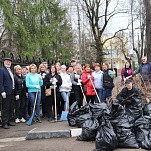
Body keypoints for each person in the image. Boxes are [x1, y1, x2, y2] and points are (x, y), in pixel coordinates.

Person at [0, 58, 15, 129]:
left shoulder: (10, 71)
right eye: (7, 61)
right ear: (4, 62)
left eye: (9, 62)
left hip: (12, 91)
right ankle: (4, 122)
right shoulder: (2, 70)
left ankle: (8, 120)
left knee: (11, 106)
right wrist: (2, 91)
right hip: (6, 91)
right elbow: (1, 82)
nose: (8, 63)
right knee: (5, 107)